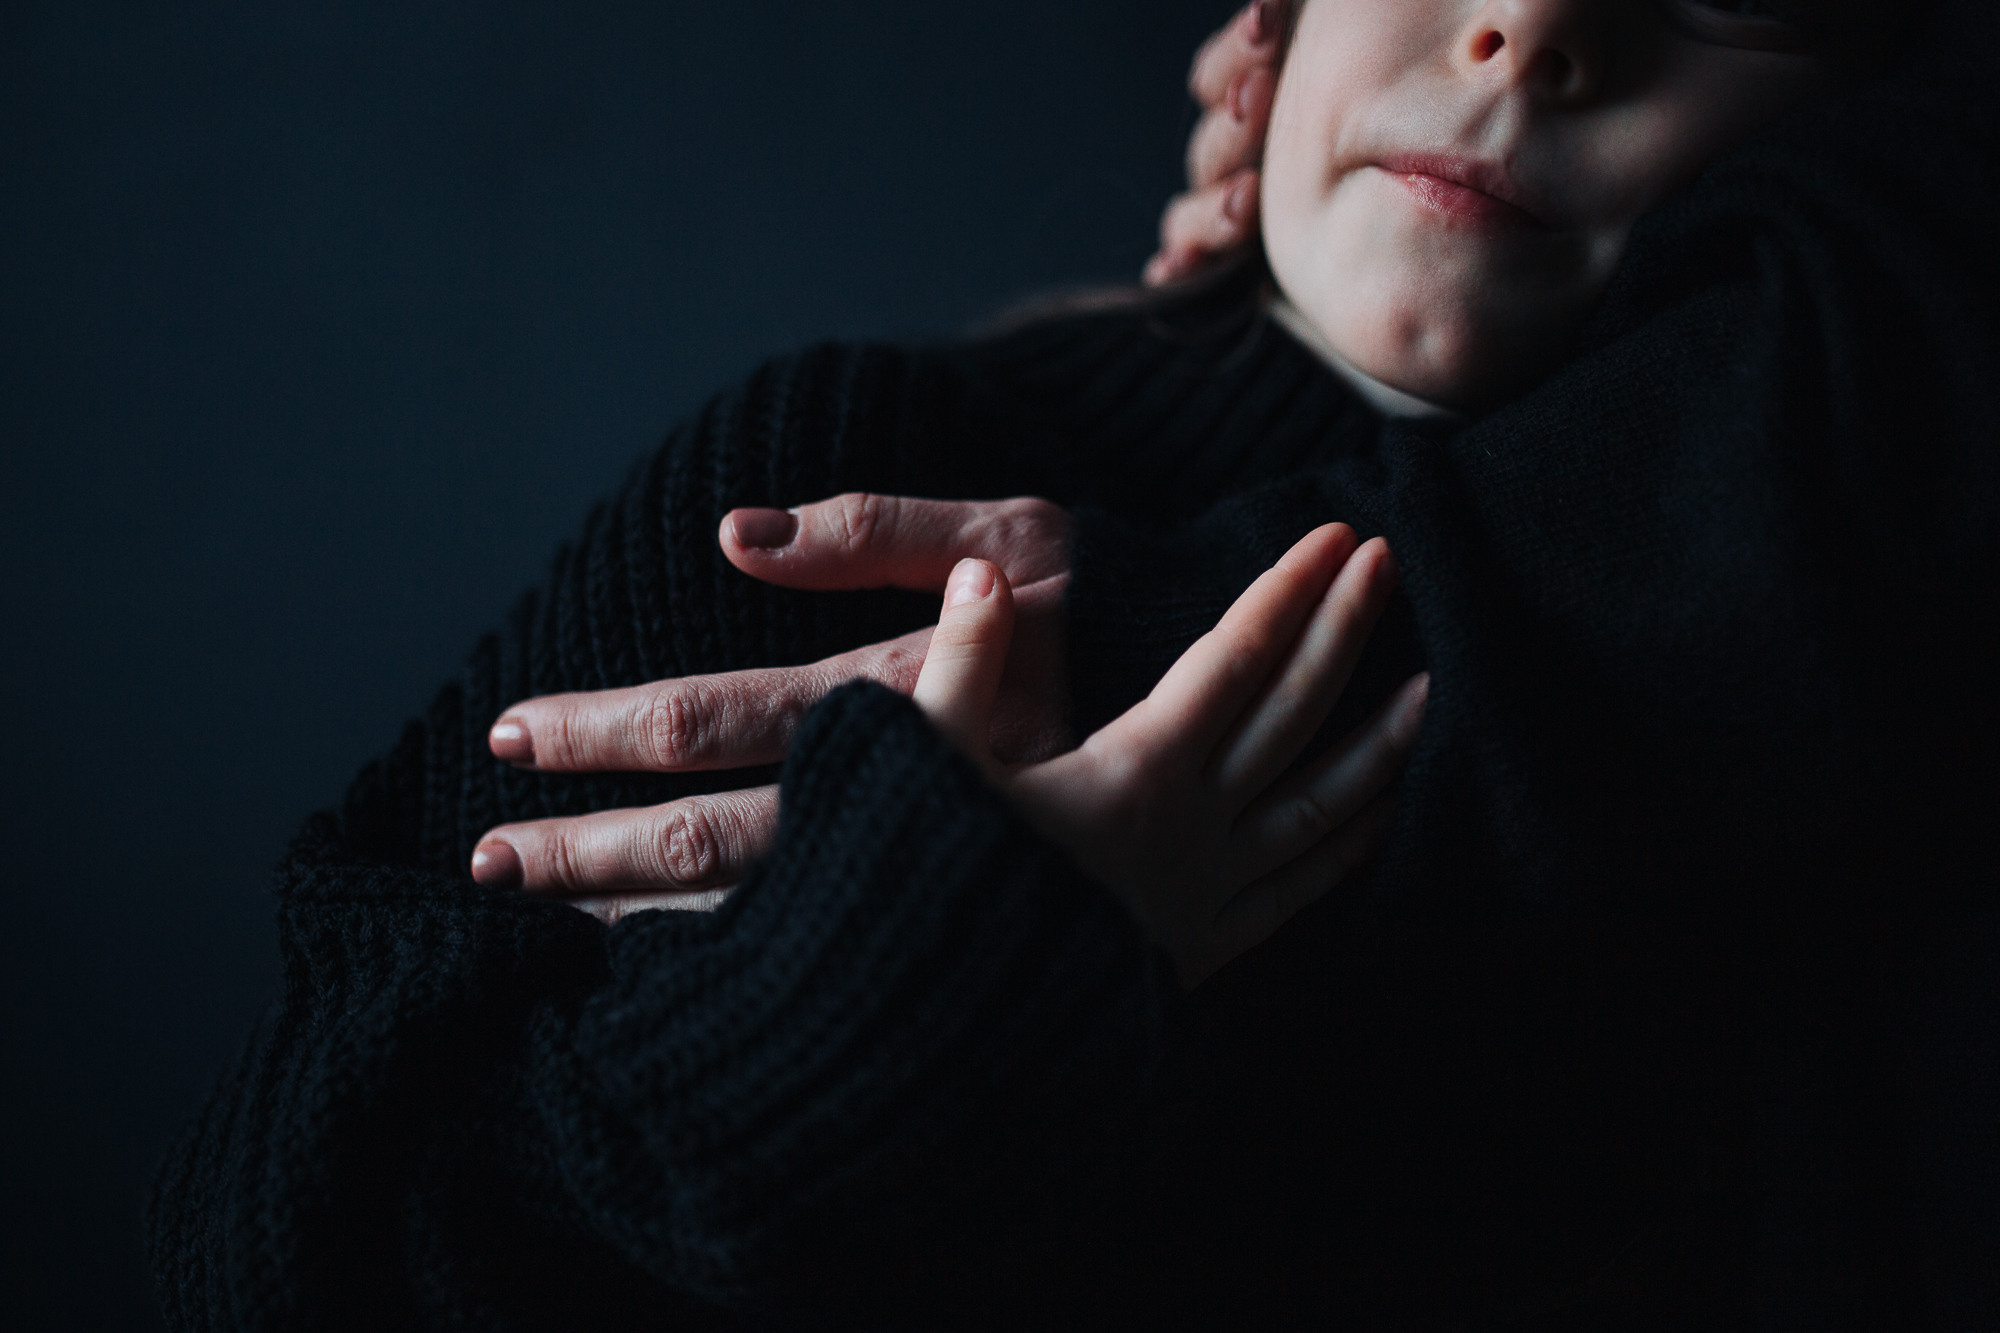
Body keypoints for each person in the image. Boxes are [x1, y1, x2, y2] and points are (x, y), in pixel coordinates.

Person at [150, 1, 1998, 1327]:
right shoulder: (851, 478)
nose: (1529, 26)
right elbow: (293, 1238)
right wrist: (908, 985)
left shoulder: (1852, 685)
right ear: (1263, 31)